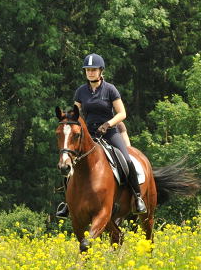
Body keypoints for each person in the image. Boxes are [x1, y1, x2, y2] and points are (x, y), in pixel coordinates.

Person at [56, 53, 147, 218]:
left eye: (93, 70)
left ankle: (138, 196)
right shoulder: (81, 91)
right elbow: (75, 114)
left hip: (109, 132)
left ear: (100, 71)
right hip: (89, 134)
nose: (90, 73)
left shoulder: (110, 89)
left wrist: (108, 124)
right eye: (87, 70)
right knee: (68, 162)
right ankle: (68, 203)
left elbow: (122, 113)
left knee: (126, 160)